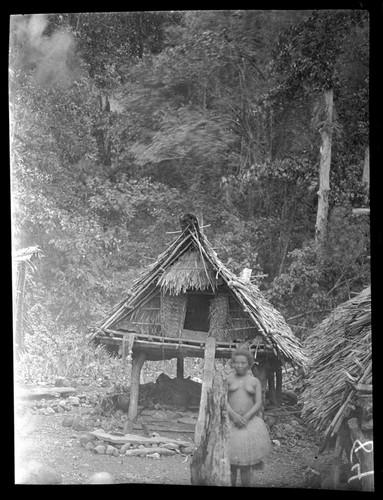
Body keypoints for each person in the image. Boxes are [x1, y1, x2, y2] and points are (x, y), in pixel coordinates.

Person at [227, 349, 272, 487]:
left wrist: (246, 416)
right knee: (231, 465)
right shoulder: (228, 379)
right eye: (237, 363)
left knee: (246, 466)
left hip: (249, 424)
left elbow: (258, 402)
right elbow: (222, 400)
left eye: (243, 363)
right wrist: (234, 416)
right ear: (232, 364)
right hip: (231, 424)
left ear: (249, 364)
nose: (240, 366)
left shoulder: (254, 381)